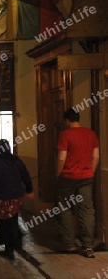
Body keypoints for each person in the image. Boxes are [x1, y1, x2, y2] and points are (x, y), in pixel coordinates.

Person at [56, 108, 99, 258]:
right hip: (86, 178)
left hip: (68, 178)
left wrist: (58, 173)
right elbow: (96, 156)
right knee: (86, 210)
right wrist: (90, 173)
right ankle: (88, 246)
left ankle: (69, 244)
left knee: (65, 209)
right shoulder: (91, 134)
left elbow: (61, 158)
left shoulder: (65, 134)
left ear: (67, 120)